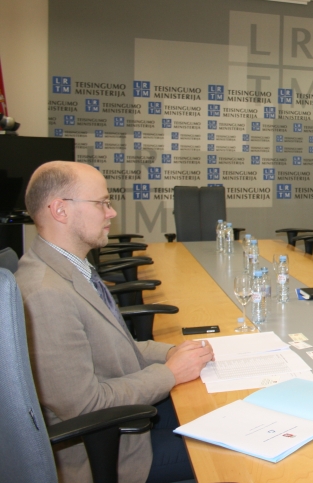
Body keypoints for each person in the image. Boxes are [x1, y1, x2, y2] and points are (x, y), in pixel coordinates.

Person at [15, 161, 214, 483]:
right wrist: (171, 372)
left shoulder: (69, 269)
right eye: (101, 203)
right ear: (60, 210)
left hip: (125, 418)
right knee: (234, 451)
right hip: (110, 450)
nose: (111, 213)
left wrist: (172, 352)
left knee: (217, 408)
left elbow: (116, 346)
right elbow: (86, 407)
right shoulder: (44, 294)